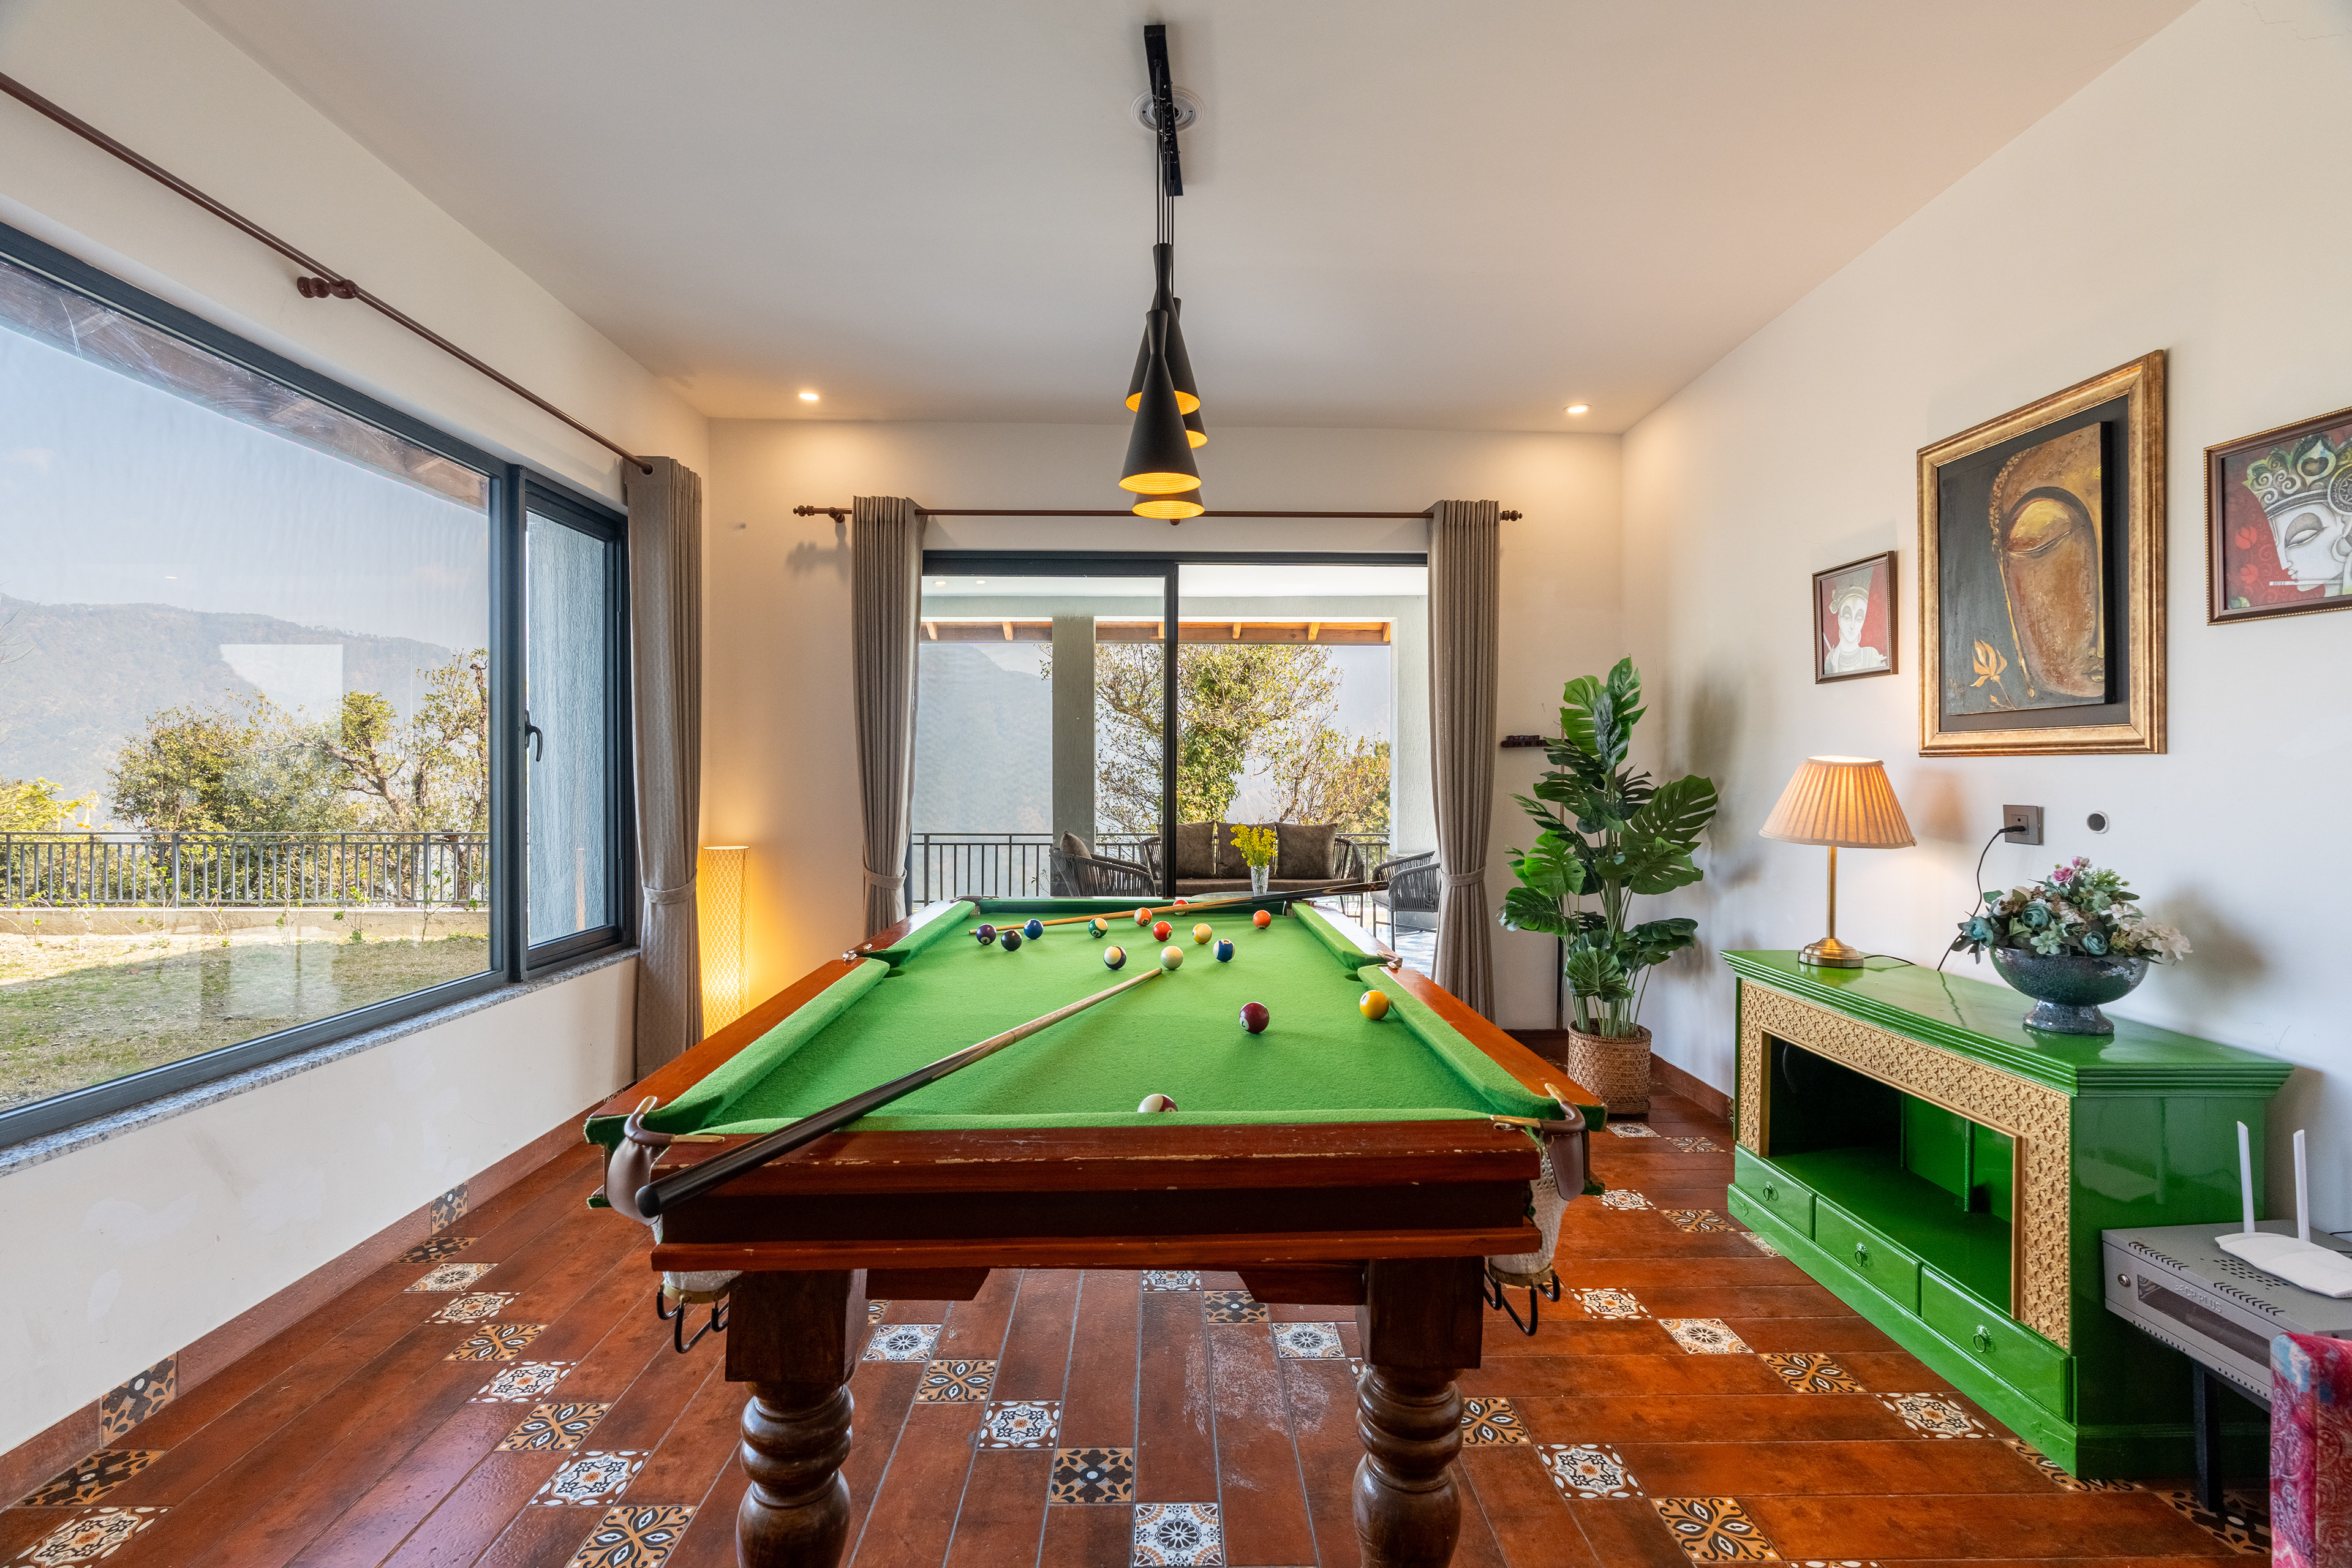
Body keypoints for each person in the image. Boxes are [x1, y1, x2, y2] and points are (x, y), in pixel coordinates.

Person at [1822, 579, 1887, 674]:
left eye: (1859, 619)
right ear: (1839, 620)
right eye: (1847, 617)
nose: (1852, 626)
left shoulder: (1871, 655)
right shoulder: (1831, 658)